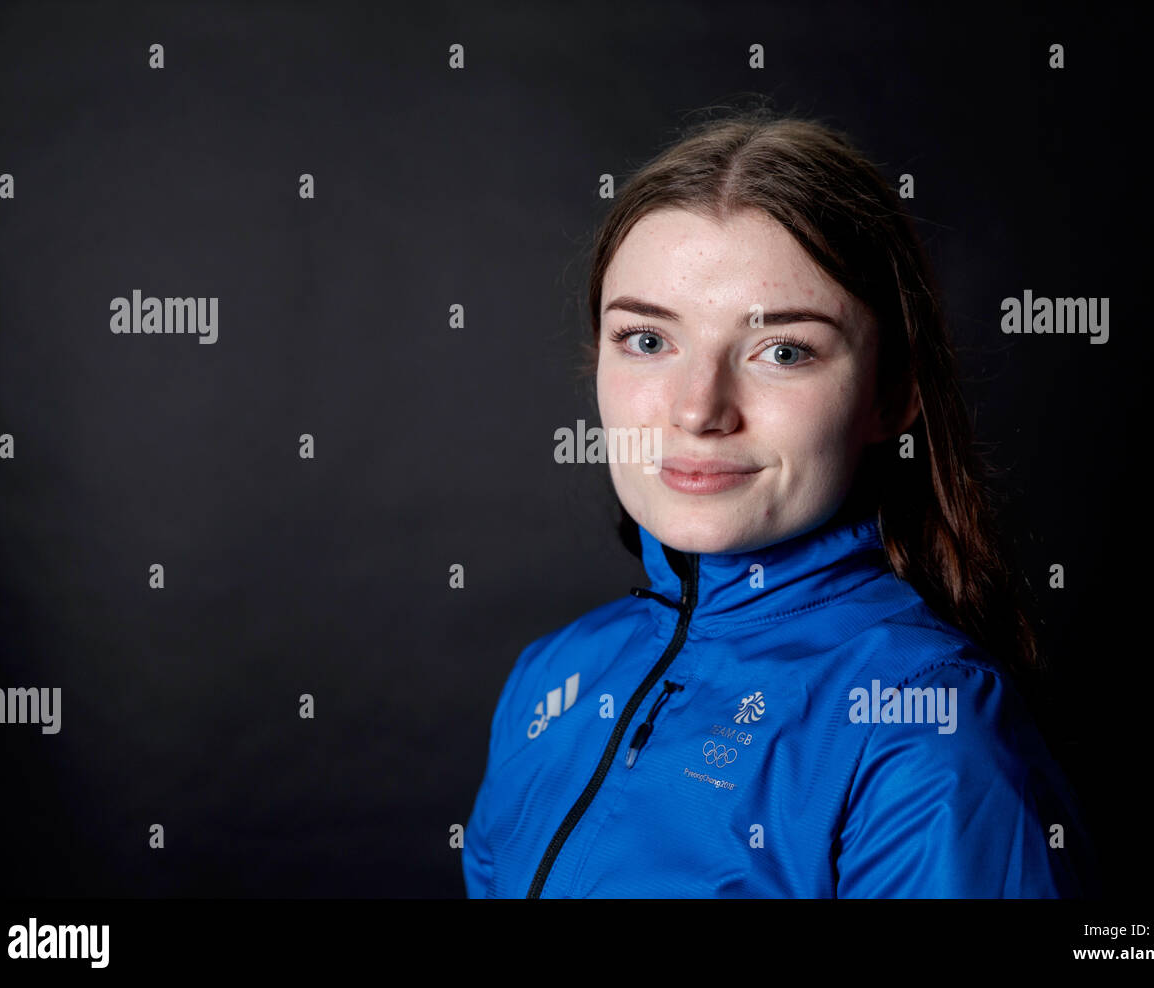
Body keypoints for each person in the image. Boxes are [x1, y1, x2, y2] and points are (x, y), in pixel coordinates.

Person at [463, 108, 1097, 898]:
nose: (699, 410)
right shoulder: (554, 675)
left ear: (892, 394)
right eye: (649, 341)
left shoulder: (924, 731)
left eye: (782, 351)